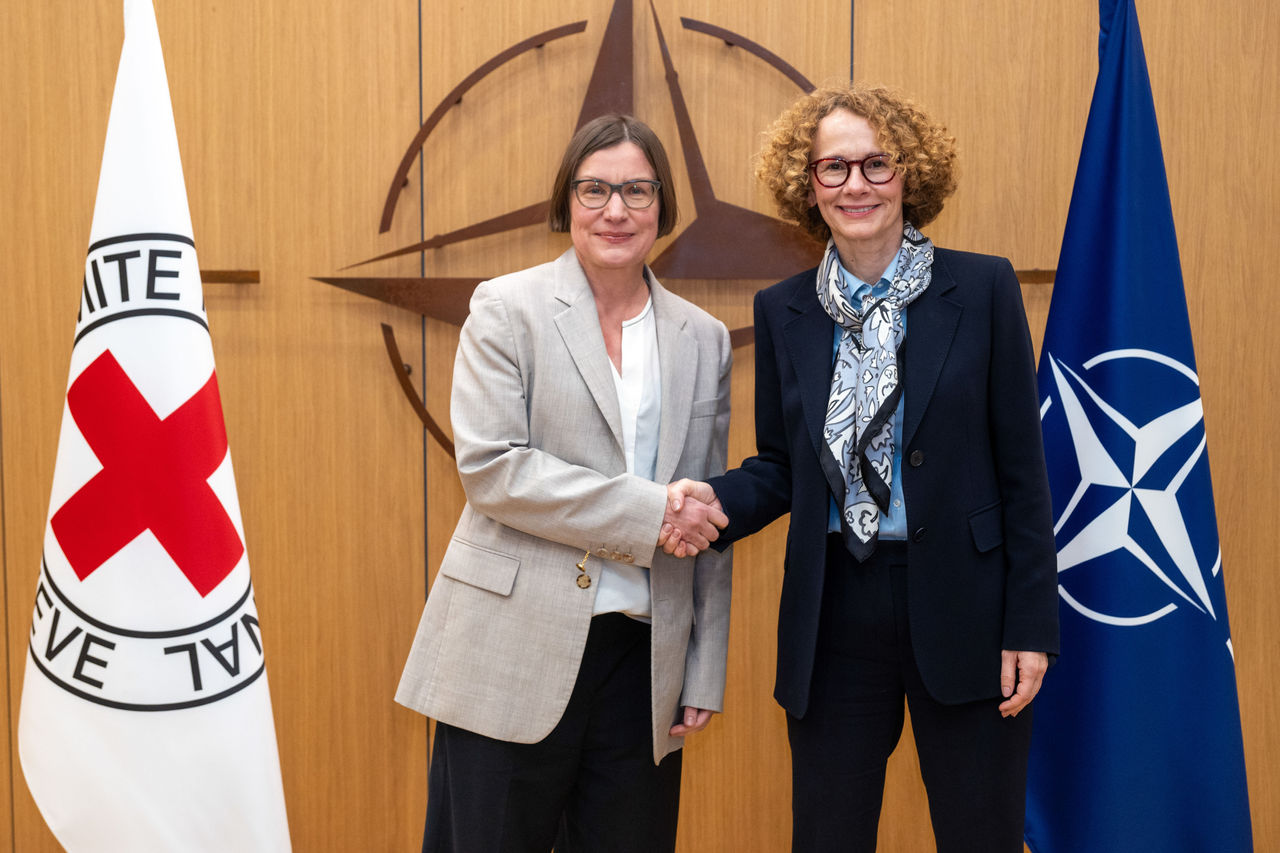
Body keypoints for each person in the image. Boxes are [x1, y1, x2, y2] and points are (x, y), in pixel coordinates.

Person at [662, 84, 1059, 852]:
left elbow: (1023, 473)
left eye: (877, 164)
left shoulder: (981, 288)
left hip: (967, 607)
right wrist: (708, 502)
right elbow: (781, 466)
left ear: (911, 174)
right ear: (807, 185)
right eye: (833, 168)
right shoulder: (784, 309)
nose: (856, 185)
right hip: (835, 608)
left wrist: (1030, 626)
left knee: (981, 833)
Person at [395, 114, 733, 853]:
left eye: (637, 190)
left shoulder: (702, 338)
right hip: (507, 648)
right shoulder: (505, 309)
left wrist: (702, 665)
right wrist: (652, 510)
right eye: (595, 189)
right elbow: (495, 470)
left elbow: (706, 513)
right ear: (566, 202)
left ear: (663, 206)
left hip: (643, 664)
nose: (616, 210)